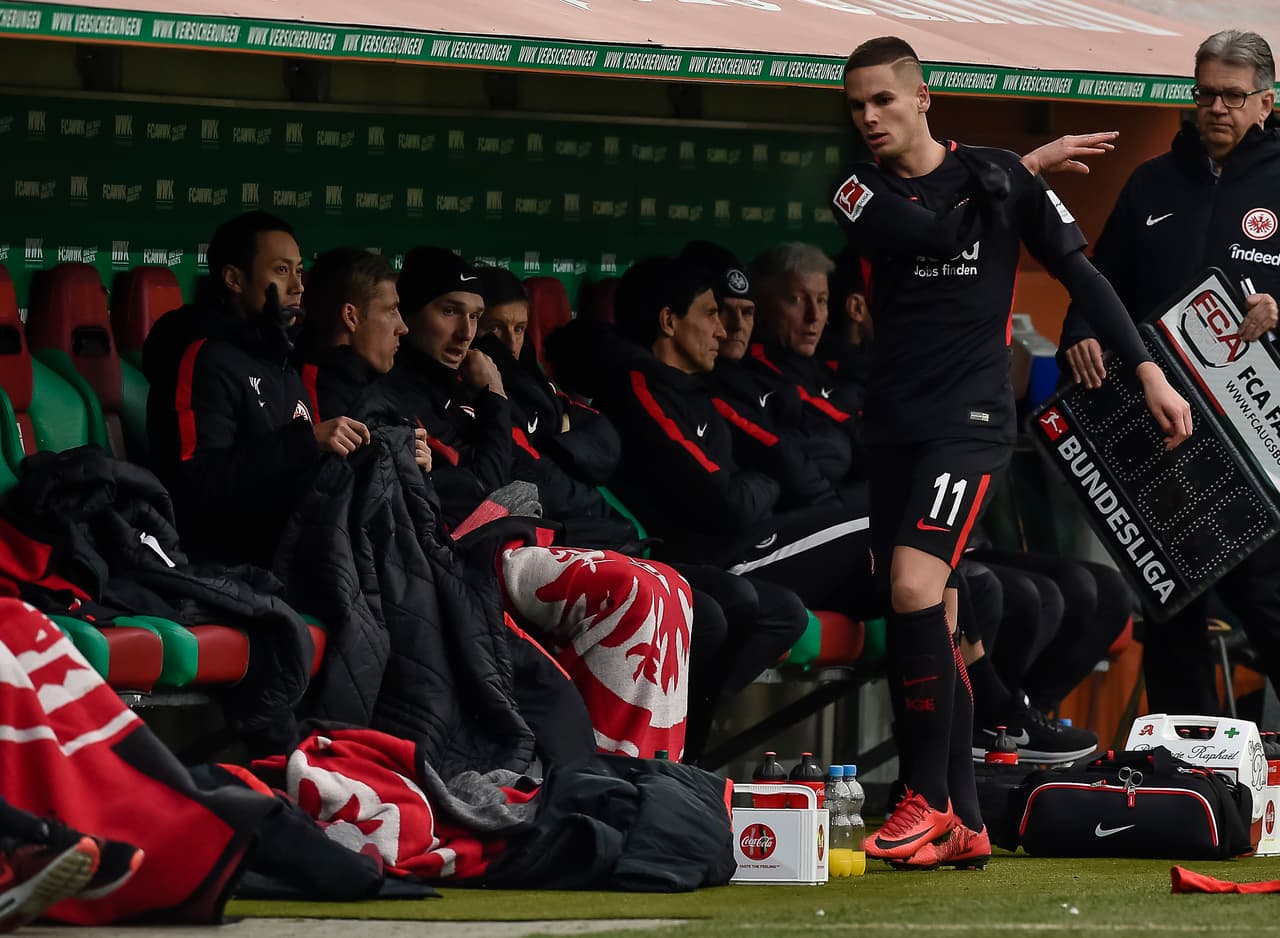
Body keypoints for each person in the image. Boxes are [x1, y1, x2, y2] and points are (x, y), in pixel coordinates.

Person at [836, 36, 1192, 870]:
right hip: (894, 425)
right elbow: (921, 230)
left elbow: (1084, 275)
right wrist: (1018, 166)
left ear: (923, 98)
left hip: (971, 421)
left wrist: (1147, 371)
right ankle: (962, 818)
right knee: (932, 618)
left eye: (884, 101)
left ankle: (922, 799)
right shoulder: (857, 187)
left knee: (915, 583)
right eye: (856, 107)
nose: (869, 119)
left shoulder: (999, 174)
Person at [1057, 29, 1280, 716]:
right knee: (1172, 602)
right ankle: (1193, 772)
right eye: (1204, 93)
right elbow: (1100, 279)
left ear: (1266, 102)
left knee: (1264, 598)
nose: (1215, 107)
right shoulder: (1152, 180)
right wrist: (1081, 332)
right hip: (1160, 431)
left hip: (1259, 438)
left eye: (1232, 96)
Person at [143, 211, 370, 567]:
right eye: (281, 270)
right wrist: (306, 443)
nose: (298, 285)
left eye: (298, 270)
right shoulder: (204, 357)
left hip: (286, 555)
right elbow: (194, 484)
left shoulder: (284, 361)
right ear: (234, 279)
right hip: (221, 564)